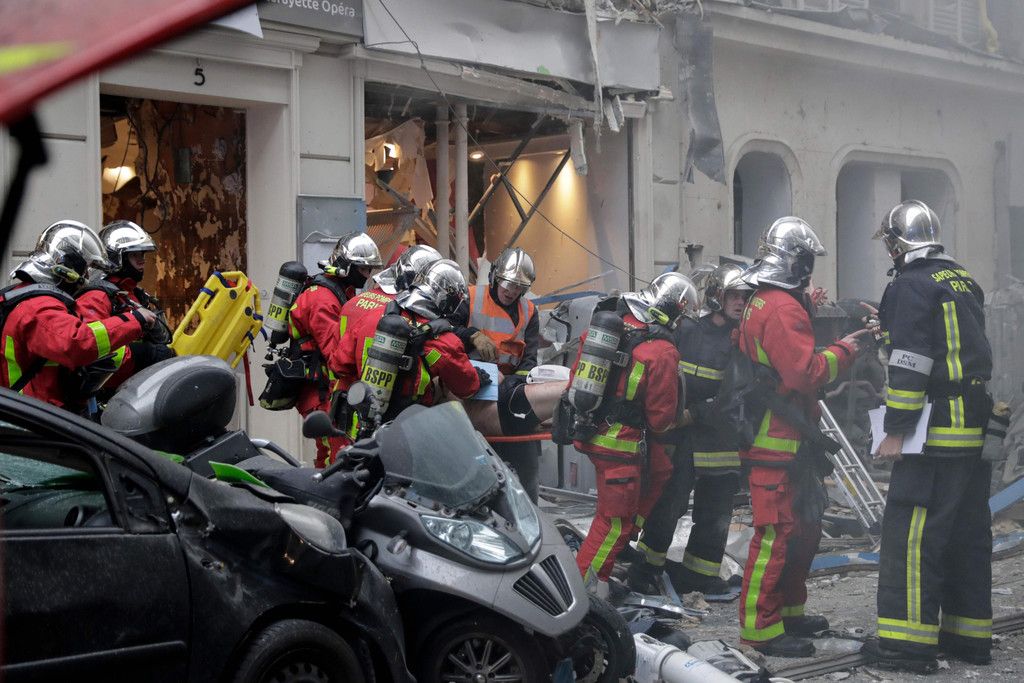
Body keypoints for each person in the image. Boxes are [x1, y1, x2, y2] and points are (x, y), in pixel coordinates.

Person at [861, 201, 994, 674]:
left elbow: (912, 364)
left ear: (898, 243)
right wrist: (889, 331)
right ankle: (969, 637)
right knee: (964, 535)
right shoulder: (961, 279)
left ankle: (906, 646)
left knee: (912, 537)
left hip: (933, 434)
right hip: (971, 429)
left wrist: (896, 430)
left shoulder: (909, 285)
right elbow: (949, 348)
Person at [736, 217, 867, 657]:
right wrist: (845, 351)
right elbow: (803, 373)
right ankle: (760, 629)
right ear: (799, 261)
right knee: (774, 537)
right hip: (776, 440)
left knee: (803, 532)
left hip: (790, 438)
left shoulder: (763, 299)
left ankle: (789, 611)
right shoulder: (781, 307)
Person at [571, 272, 698, 595]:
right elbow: (660, 420)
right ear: (677, 312)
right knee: (612, 523)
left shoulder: (616, 325)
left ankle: (620, 546)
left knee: (661, 468)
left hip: (592, 431)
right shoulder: (662, 351)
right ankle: (584, 594)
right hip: (621, 447)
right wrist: (688, 416)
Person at [630, 263, 751, 595]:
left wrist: (694, 413)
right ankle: (646, 569)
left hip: (719, 435)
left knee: (717, 510)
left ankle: (700, 574)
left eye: (745, 297)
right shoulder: (687, 330)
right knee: (669, 503)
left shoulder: (742, 342)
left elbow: (735, 394)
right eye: (734, 295)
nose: (740, 302)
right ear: (716, 296)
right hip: (679, 435)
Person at [0, 220, 155, 409]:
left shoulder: (22, 296)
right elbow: (77, 342)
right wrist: (134, 321)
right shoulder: (37, 307)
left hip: (32, 409)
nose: (87, 276)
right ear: (68, 266)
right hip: (32, 415)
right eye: (85, 268)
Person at [339, 259, 481, 428]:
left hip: (356, 424)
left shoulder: (372, 316)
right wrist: (478, 377)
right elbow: (468, 388)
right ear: (447, 301)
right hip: (407, 429)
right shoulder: (445, 341)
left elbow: (339, 365)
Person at [287, 231, 382, 467]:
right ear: (346, 265)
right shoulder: (323, 299)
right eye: (363, 269)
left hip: (327, 388)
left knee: (329, 450)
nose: (367, 275)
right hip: (320, 389)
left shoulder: (339, 290)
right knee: (334, 452)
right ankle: (327, 489)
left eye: (369, 269)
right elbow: (334, 354)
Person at [457, 247, 542, 501]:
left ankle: (529, 511)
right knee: (475, 467)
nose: (512, 291)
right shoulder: (471, 297)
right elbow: (446, 334)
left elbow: (529, 360)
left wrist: (512, 385)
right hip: (472, 392)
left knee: (527, 466)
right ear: (495, 277)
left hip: (509, 393)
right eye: (508, 284)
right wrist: (471, 335)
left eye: (519, 287)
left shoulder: (529, 312)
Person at [76, 220, 174, 390]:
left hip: (135, 387)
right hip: (106, 394)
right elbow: (90, 352)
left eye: (142, 254)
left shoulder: (133, 293)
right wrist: (141, 356)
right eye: (135, 255)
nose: (142, 261)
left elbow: (160, 339)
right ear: (116, 258)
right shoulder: (96, 297)